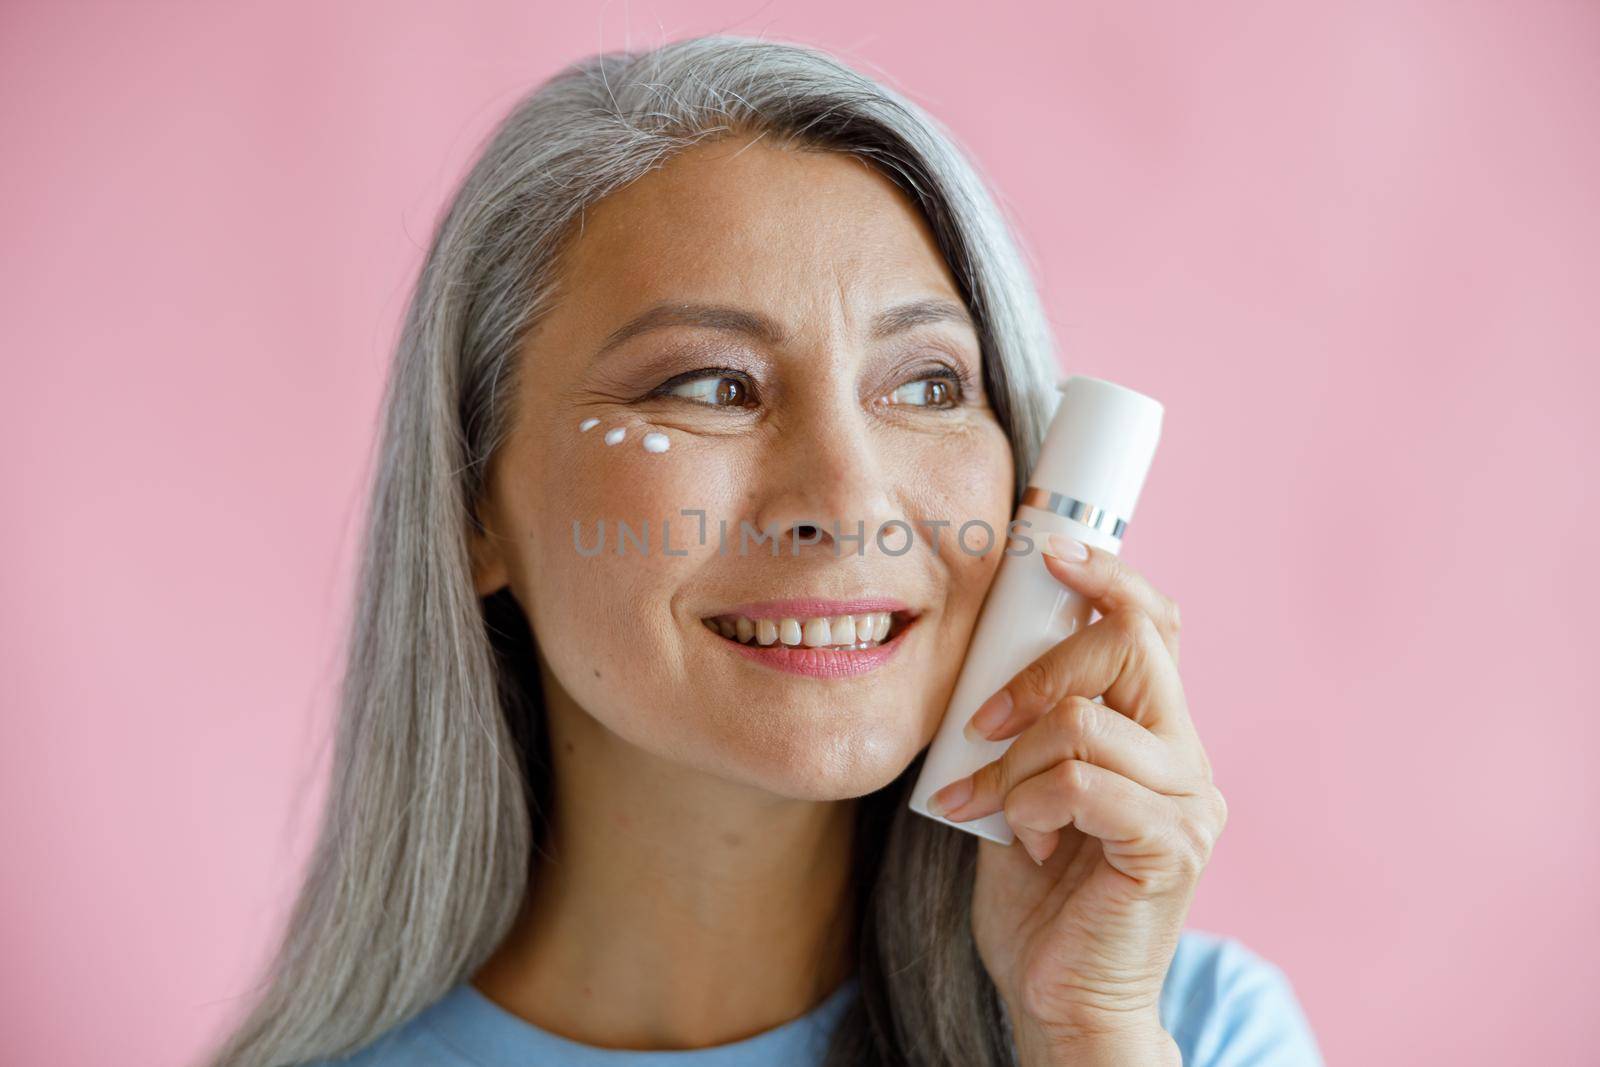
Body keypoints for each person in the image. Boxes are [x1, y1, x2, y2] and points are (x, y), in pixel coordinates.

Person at [204, 34, 1324, 1067]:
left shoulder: (1187, 1033)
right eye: (709, 386)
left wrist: (1080, 1031)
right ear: (472, 504)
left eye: (928, 384)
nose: (847, 502)